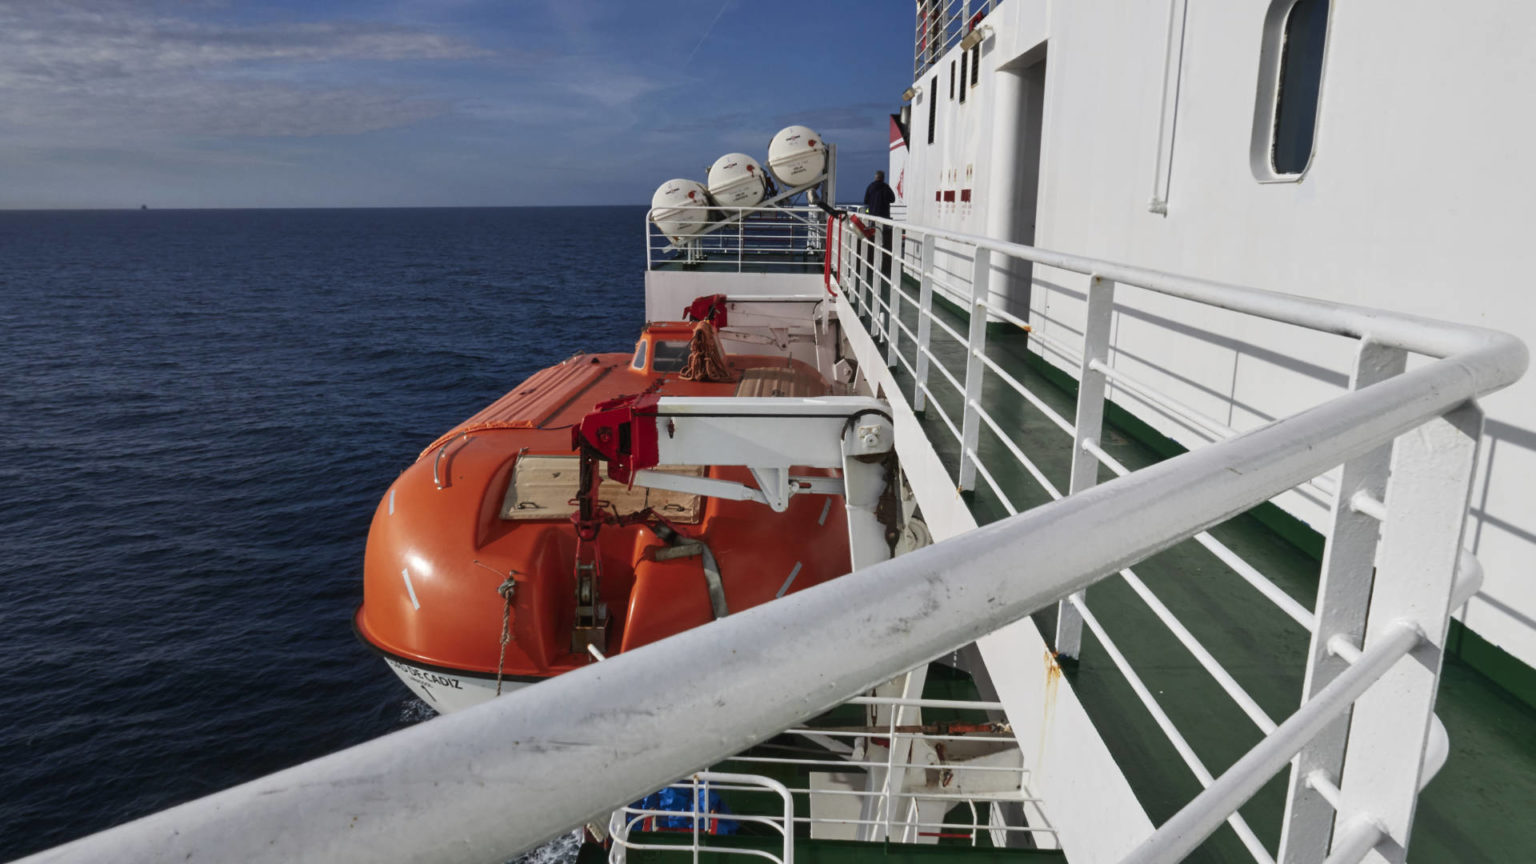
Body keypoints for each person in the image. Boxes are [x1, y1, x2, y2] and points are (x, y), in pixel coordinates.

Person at [862, 171, 897, 282]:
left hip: (873, 218)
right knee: (884, 241)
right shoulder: (886, 187)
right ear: (883, 178)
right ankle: (884, 266)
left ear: (875, 177)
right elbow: (892, 199)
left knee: (872, 240)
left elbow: (865, 200)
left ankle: (871, 264)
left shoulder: (870, 187)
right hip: (884, 218)